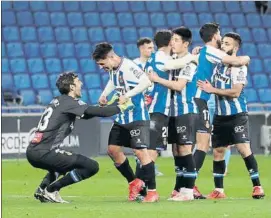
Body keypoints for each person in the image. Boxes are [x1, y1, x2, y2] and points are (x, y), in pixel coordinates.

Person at [27, 72, 134, 203]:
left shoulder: (60, 101)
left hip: (35, 150)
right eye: (78, 81)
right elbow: (94, 112)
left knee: (62, 165)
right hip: (45, 152)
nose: (81, 84)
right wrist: (121, 107)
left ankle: (42, 189)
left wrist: (109, 105)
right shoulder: (69, 102)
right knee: (91, 166)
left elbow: (88, 114)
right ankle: (51, 190)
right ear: (71, 87)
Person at [197, 32, 265, 199]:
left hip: (237, 114)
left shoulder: (239, 66)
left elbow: (235, 92)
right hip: (220, 116)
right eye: (223, 42)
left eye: (227, 43)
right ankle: (219, 190)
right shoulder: (218, 64)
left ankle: (257, 186)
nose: (223, 45)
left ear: (235, 47)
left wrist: (213, 90)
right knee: (218, 151)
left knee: (243, 148)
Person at [92, 42, 159, 202]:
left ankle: (152, 192)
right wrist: (104, 95)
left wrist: (128, 95)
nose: (102, 67)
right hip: (122, 118)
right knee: (112, 150)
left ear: (111, 57)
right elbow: (112, 81)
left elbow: (146, 82)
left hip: (137, 117)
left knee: (140, 152)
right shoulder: (113, 69)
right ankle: (134, 182)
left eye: (102, 64)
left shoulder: (128, 66)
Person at [192, 23, 251, 198]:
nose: (222, 41)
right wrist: (246, 58)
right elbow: (236, 60)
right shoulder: (211, 52)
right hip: (207, 100)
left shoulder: (210, 53)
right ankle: (189, 184)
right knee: (204, 144)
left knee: (219, 145)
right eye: (221, 37)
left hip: (214, 101)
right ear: (215, 36)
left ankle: (196, 183)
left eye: (227, 42)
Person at [148, 27, 198, 201]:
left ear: (186, 44)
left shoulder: (190, 63)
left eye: (176, 40)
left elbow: (179, 86)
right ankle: (178, 188)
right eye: (172, 40)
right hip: (172, 112)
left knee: (184, 148)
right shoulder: (173, 60)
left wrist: (158, 79)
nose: (172, 43)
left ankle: (188, 191)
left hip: (186, 110)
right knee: (176, 149)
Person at [133, 37, 164, 177]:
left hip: (154, 108)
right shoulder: (133, 65)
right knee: (142, 146)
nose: (152, 50)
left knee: (152, 145)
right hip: (139, 110)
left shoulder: (156, 64)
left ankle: (146, 171)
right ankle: (143, 176)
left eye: (153, 47)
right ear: (141, 48)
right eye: (149, 48)